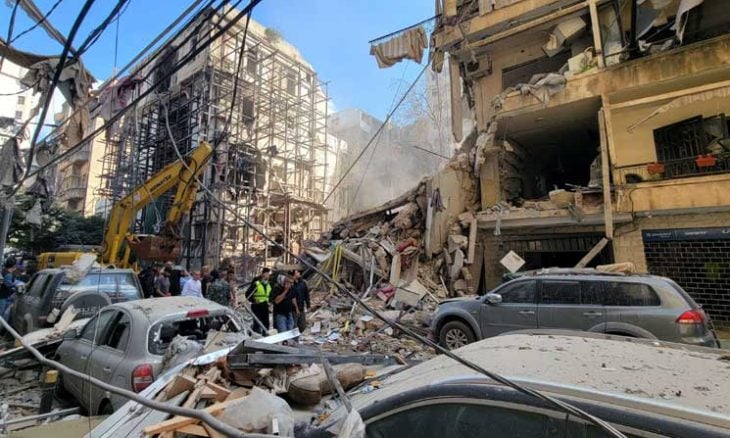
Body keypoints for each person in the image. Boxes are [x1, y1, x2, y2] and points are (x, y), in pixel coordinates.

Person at [248, 268, 271, 335]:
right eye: (267, 274)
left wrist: (270, 302)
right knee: (257, 324)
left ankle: (265, 337)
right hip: (257, 306)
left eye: (268, 274)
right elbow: (248, 294)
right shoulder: (257, 283)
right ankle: (253, 335)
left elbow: (269, 295)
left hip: (265, 306)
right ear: (263, 274)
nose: (268, 276)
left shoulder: (269, 285)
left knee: (266, 324)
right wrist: (254, 300)